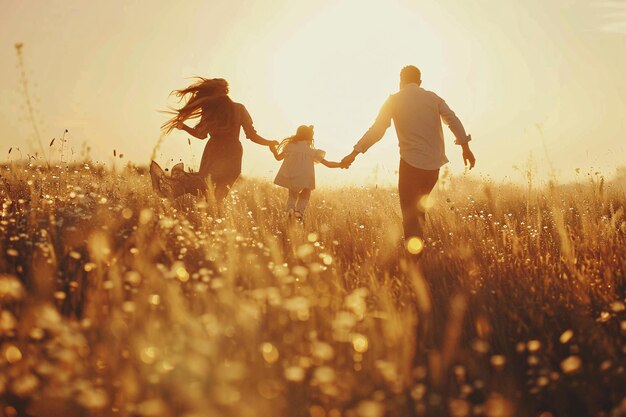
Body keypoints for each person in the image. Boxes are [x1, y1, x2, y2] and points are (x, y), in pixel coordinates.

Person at [341, 65, 476, 252]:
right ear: (420, 82)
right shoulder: (433, 98)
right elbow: (452, 119)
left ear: (400, 81)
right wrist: (465, 147)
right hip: (432, 167)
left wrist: (354, 153)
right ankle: (417, 253)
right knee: (419, 212)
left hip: (410, 165)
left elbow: (378, 129)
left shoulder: (394, 100)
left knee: (410, 214)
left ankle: (413, 258)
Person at [150, 77, 278, 202]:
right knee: (219, 192)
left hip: (214, 150)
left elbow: (201, 135)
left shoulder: (211, 111)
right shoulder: (239, 109)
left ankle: (178, 183)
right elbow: (252, 135)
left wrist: (184, 127)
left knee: (207, 187)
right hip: (233, 151)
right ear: (226, 91)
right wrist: (268, 143)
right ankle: (210, 213)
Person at [271, 125, 343, 222]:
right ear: (310, 137)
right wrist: (341, 164)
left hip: (291, 176)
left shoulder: (290, 146)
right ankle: (299, 212)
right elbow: (328, 164)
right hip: (305, 178)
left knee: (292, 196)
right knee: (305, 195)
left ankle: (290, 210)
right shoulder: (312, 152)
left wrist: (273, 150)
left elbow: (278, 158)